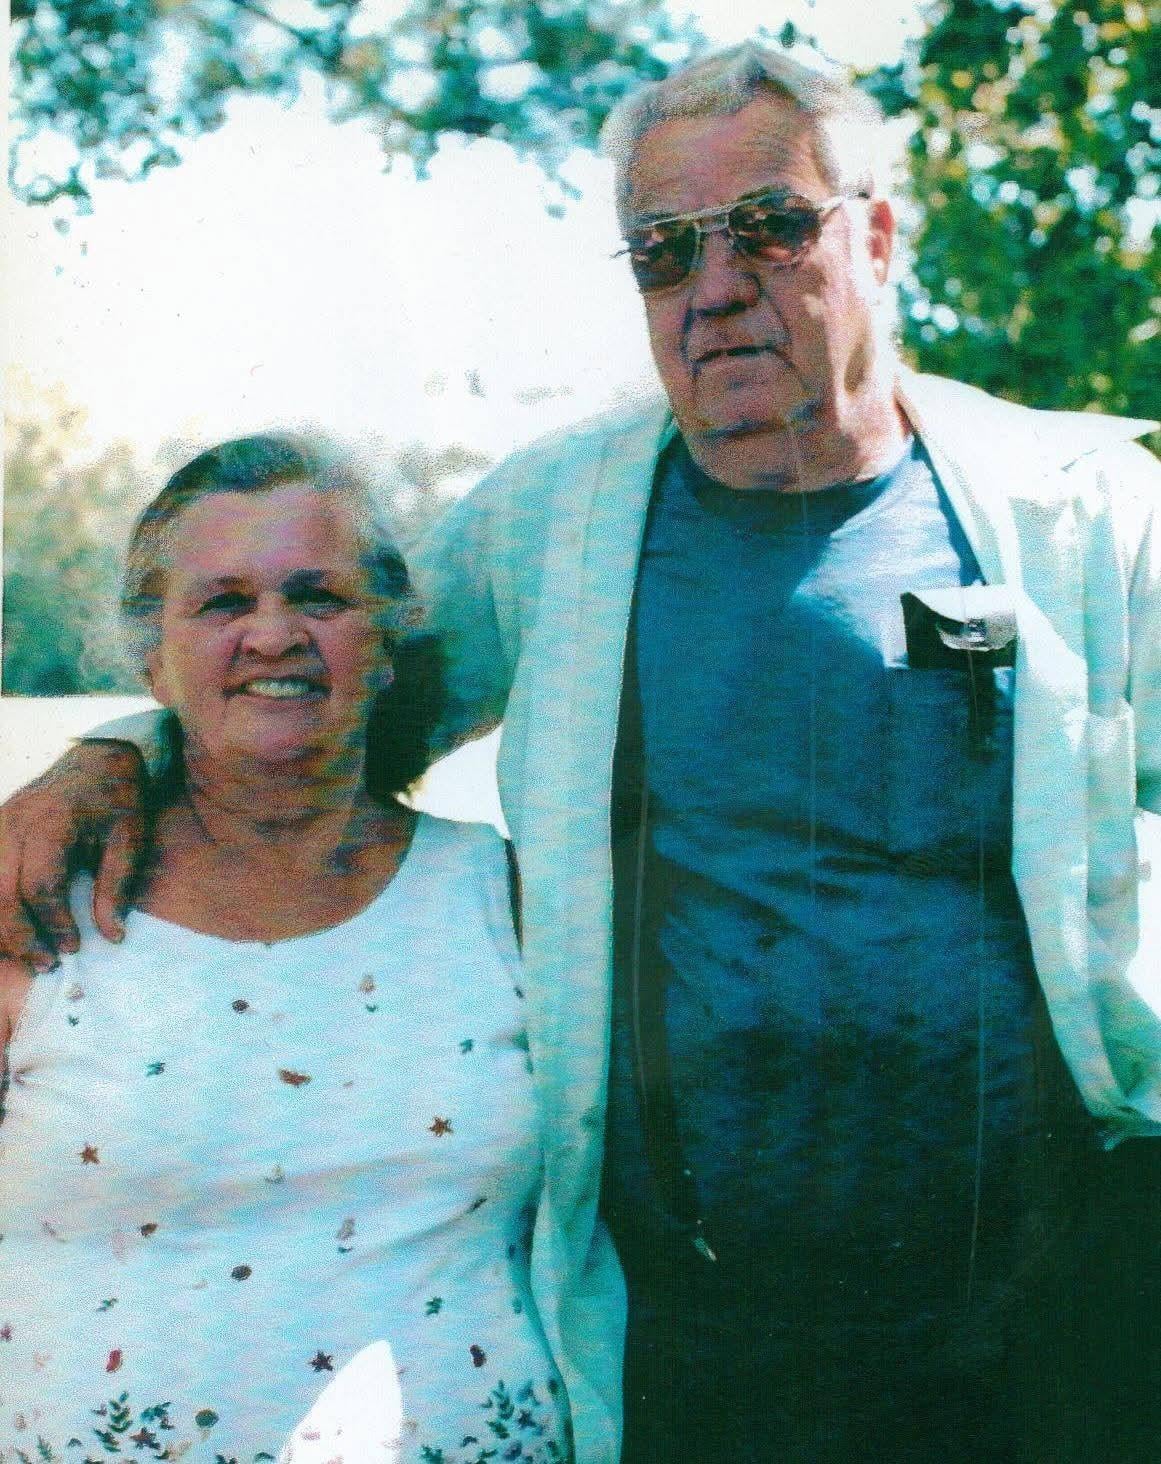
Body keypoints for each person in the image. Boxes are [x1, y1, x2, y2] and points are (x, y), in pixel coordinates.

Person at [2, 40, 1160, 1463]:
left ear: (872, 232)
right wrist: (112, 758)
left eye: (769, 227)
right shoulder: (556, 521)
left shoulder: (1077, 513)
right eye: (663, 252)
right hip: (721, 1325)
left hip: (1045, 1293)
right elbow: (314, 675)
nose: (715, 287)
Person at [0, 436, 591, 1464]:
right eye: (222, 604)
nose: (274, 634)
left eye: (319, 597)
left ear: (392, 637)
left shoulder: (507, 898)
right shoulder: (36, 908)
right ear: (152, 653)